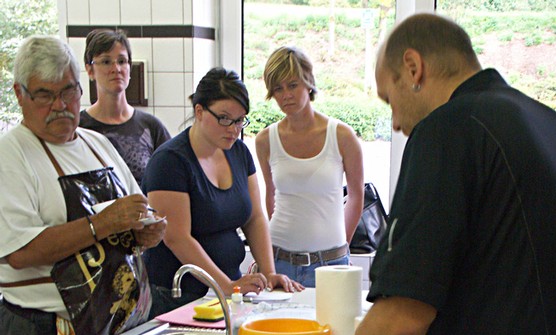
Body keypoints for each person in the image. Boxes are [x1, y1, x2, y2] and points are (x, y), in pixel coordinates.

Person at [282, 14, 556, 335]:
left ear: (413, 67)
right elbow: (507, 271)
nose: (397, 123)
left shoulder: (447, 130)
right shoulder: (547, 123)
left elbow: (404, 313)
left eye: (390, 99)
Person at [0, 36, 166, 335]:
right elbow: (19, 252)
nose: (60, 105)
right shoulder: (11, 154)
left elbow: (135, 212)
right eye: (45, 95)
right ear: (20, 94)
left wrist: (146, 231)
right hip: (47, 333)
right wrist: (100, 225)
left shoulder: (98, 144)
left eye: (69, 91)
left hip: (117, 326)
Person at [142, 67, 302, 310]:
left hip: (226, 291)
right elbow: (177, 237)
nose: (233, 129)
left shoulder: (239, 152)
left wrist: (269, 273)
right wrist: (225, 285)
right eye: (224, 119)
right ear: (199, 111)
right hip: (177, 294)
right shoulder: (169, 161)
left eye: (239, 120)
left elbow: (254, 217)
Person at [255, 46, 364, 287]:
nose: (286, 95)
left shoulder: (342, 135)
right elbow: (270, 195)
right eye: (277, 89)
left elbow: (356, 196)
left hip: (330, 261)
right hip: (279, 260)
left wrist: (339, 247)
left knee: (331, 325)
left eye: (292, 85)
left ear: (309, 83)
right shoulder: (265, 140)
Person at [80, 29, 171, 185]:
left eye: (122, 61)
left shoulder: (151, 127)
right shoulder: (79, 128)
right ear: (90, 70)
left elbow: (171, 177)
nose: (116, 69)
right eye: (106, 62)